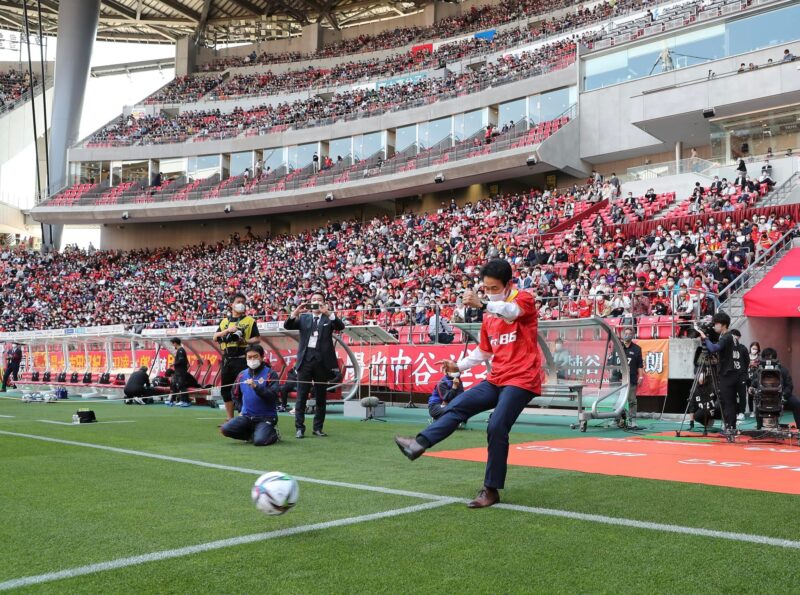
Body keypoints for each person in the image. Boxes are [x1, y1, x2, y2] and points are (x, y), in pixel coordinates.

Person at [394, 259, 542, 509]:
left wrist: (484, 303)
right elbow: (484, 353)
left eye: (494, 288)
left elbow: (512, 312)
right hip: (497, 378)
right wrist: (458, 367)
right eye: (485, 288)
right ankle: (419, 443)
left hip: (523, 379)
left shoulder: (523, 299)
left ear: (508, 285)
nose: (489, 292)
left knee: (496, 425)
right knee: (458, 405)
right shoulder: (489, 318)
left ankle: (491, 489)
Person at [284, 292, 345, 438]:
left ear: (324, 303)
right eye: (314, 300)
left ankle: (317, 428)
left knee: (320, 397)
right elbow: (288, 326)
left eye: (319, 300)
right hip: (305, 361)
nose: (316, 302)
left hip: (322, 363)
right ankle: (299, 428)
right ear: (310, 303)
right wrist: (295, 313)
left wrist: (328, 313)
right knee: (302, 396)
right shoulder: (304, 317)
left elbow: (340, 326)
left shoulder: (328, 318)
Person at [219, 345, 281, 446]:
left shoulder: (271, 374)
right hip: (246, 417)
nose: (252, 359)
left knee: (260, 442)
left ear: (261, 357)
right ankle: (252, 435)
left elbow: (273, 396)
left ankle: (273, 434)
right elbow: (234, 394)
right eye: (249, 357)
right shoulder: (242, 375)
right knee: (225, 429)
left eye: (255, 356)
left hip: (266, 417)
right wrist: (241, 409)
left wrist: (256, 387)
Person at [213, 293, 260, 421]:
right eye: (238, 301)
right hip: (227, 359)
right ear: (231, 304)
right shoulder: (224, 322)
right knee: (226, 390)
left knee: (243, 389)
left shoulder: (249, 320)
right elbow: (215, 337)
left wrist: (245, 340)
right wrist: (228, 331)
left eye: (243, 302)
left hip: (242, 358)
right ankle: (230, 419)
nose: (241, 304)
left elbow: (257, 339)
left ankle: (243, 417)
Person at [696, 312, 739, 434]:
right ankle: (731, 427)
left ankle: (730, 428)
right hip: (732, 373)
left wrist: (705, 338)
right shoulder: (731, 337)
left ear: (724, 325)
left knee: (727, 402)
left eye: (716, 323)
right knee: (729, 402)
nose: (714, 326)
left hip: (727, 374)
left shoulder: (726, 337)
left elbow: (714, 349)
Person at [754, 348, 800, 428]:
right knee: (758, 405)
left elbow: (789, 386)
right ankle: (759, 429)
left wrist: (783, 396)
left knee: (796, 403)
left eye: (770, 358)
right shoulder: (759, 370)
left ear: (775, 358)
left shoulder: (783, 370)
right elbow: (754, 383)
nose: (769, 360)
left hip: (781, 397)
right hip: (764, 398)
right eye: (766, 358)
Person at [729, 329, 750, 422]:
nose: (734, 338)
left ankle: (741, 412)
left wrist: (743, 372)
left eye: (735, 336)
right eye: (732, 336)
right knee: (731, 395)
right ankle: (735, 412)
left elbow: (747, 361)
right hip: (730, 376)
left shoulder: (743, 348)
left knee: (742, 394)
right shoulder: (728, 348)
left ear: (739, 337)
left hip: (741, 375)